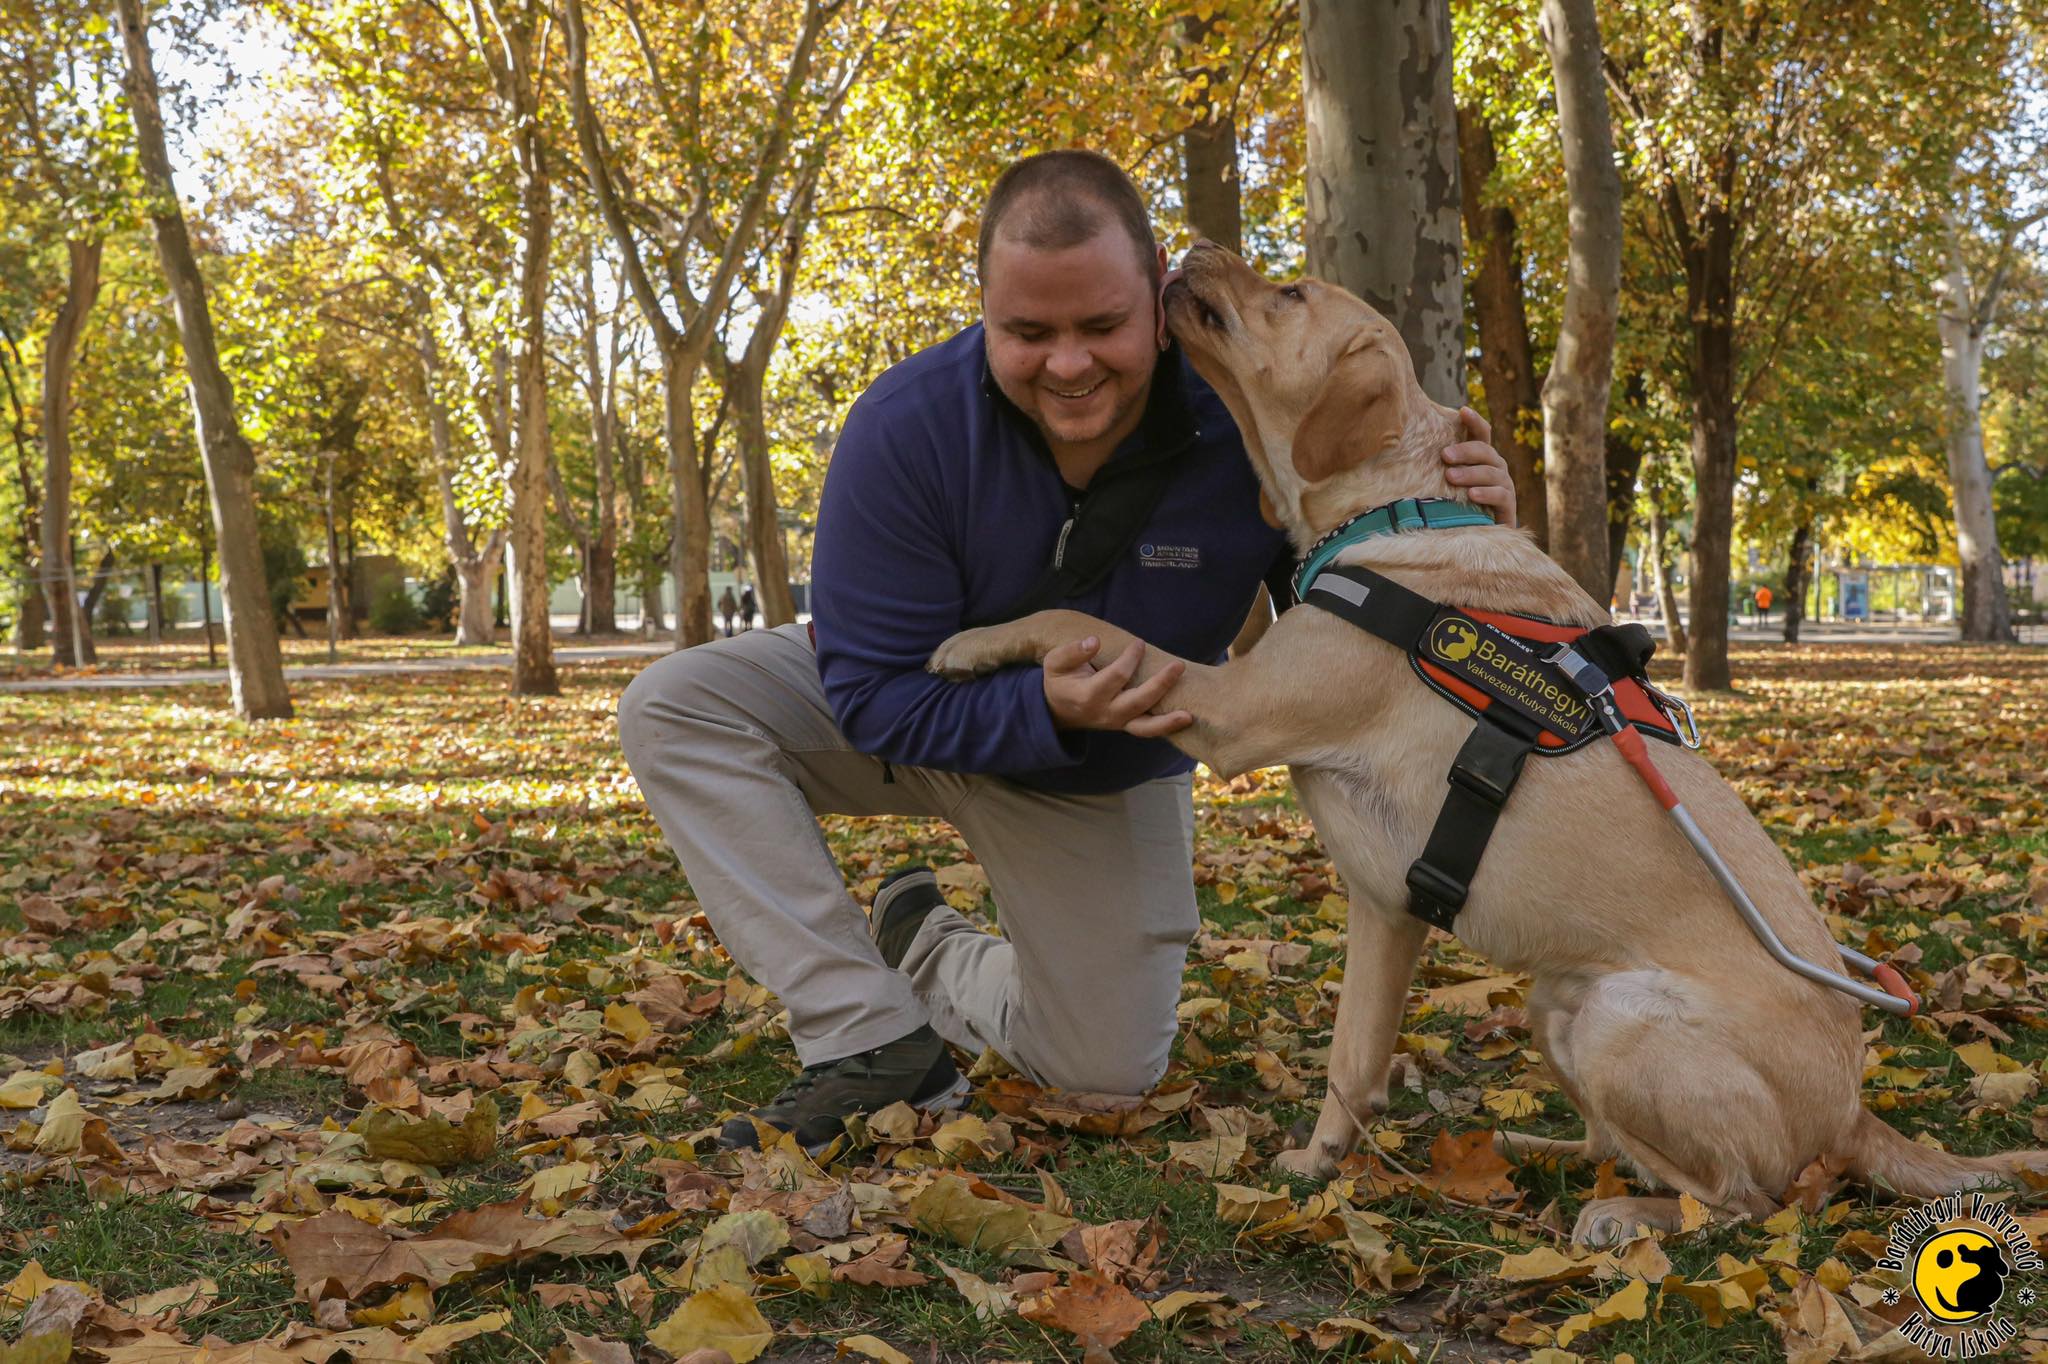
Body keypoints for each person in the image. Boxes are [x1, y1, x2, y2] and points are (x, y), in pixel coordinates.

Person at [617, 150, 1517, 1154]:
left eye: (1100, 326)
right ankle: (865, 1033)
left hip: (1103, 764)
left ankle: (926, 944)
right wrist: (1035, 705)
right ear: (984, 309)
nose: (1069, 363)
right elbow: (869, 696)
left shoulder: (1252, 416)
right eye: (1029, 333)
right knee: (674, 705)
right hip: (912, 705)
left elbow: (1347, 615)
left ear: (1157, 296)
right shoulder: (901, 428)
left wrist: (1446, 527)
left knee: (1103, 1072)